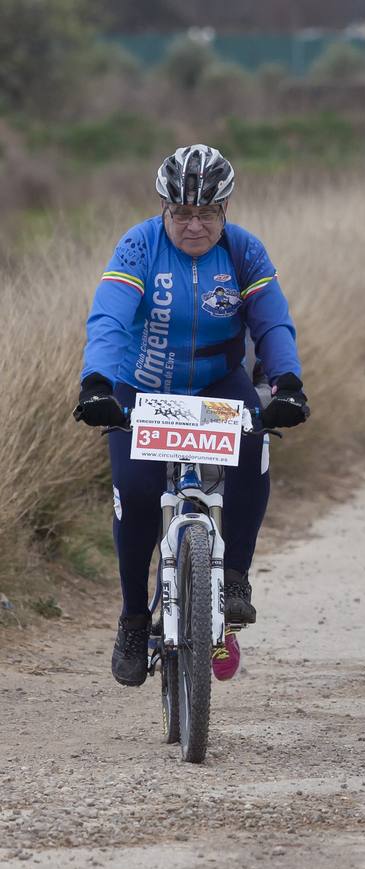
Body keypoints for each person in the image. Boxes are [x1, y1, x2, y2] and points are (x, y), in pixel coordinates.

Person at [75, 144, 309, 688]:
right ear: (164, 208)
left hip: (216, 383)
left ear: (225, 210)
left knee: (255, 445)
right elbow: (109, 316)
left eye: (206, 213)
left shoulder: (244, 250)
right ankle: (135, 616)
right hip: (141, 386)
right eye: (182, 213)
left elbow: (272, 322)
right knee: (134, 495)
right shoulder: (139, 245)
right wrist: (96, 383)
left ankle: (234, 580)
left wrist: (288, 382)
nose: (194, 225)